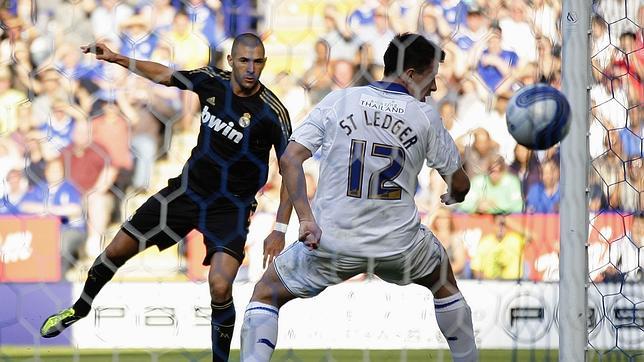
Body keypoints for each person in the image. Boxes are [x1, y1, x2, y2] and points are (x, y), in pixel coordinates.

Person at [39, 33, 293, 362]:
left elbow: (292, 171)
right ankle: (78, 308)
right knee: (115, 250)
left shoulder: (273, 113)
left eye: (257, 62)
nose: (251, 68)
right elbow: (165, 75)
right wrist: (117, 58)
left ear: (264, 63)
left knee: (219, 285)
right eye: (244, 61)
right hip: (186, 192)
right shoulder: (211, 81)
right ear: (230, 61)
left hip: (231, 206)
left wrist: (280, 228)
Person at [240, 33, 477, 362]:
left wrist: (303, 221)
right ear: (410, 74)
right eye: (432, 77)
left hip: (332, 240)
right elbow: (462, 184)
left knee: (265, 293)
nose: (434, 87)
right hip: (399, 244)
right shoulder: (425, 117)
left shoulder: (340, 101)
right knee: (443, 281)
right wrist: (454, 192)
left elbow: (290, 159)